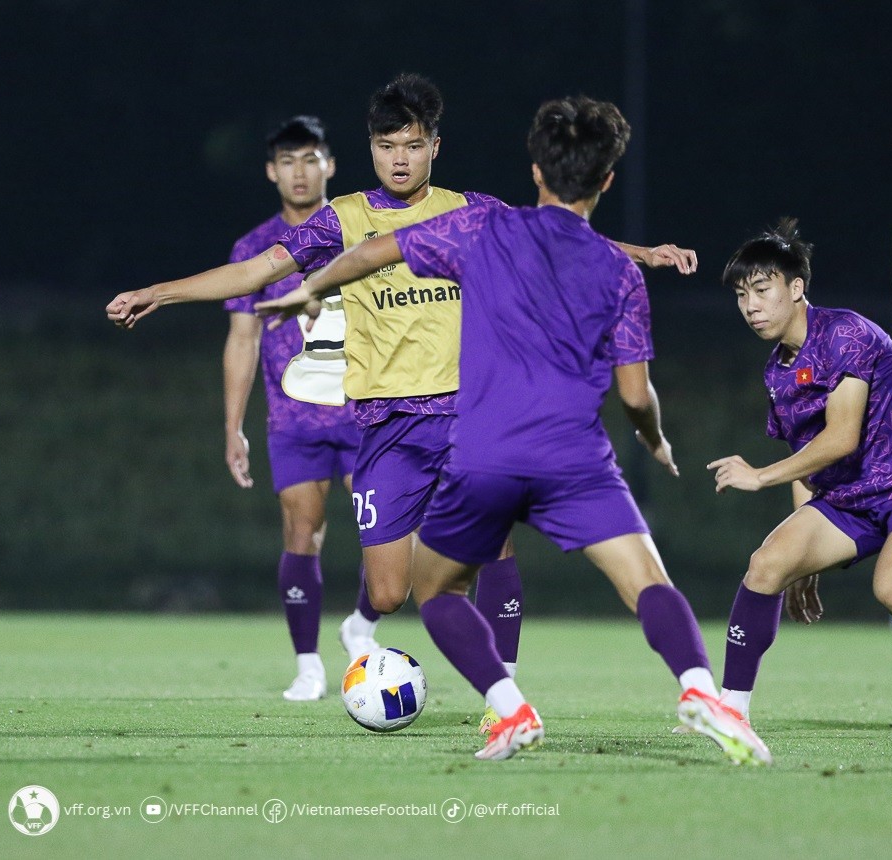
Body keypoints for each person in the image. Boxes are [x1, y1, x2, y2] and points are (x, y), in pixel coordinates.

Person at [106, 74, 693, 733]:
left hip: (470, 415)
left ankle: (505, 698)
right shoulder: (344, 219)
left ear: (434, 146)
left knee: (493, 554)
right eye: (388, 146)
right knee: (389, 591)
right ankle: (369, 626)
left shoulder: (469, 210)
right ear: (371, 149)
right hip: (386, 424)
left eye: (413, 145)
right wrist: (160, 290)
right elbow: (256, 271)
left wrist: (642, 253)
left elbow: (558, 234)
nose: (400, 159)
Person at [255, 96, 773, 765]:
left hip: (485, 453)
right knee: (648, 582)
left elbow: (375, 251)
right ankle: (701, 691)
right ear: (607, 181)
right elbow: (636, 394)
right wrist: (653, 438)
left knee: (436, 590)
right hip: (576, 457)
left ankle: (510, 709)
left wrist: (309, 287)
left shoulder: (482, 230)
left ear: (535, 171)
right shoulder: (619, 271)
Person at [707, 217, 892, 728]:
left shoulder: (843, 333)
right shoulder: (778, 370)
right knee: (767, 565)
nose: (750, 306)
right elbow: (810, 456)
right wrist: (806, 555)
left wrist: (759, 476)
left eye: (761, 289)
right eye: (740, 295)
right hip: (852, 493)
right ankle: (731, 712)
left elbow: (840, 437)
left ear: (796, 288)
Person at [221, 115, 379, 702]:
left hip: (366, 412)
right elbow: (242, 338)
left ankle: (361, 624)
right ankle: (310, 665)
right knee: (301, 532)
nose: (299, 171)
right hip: (295, 421)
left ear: (330, 166)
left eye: (310, 158)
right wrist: (233, 426)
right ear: (271, 171)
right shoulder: (254, 250)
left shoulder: (359, 234)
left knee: (389, 536)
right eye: (288, 160)